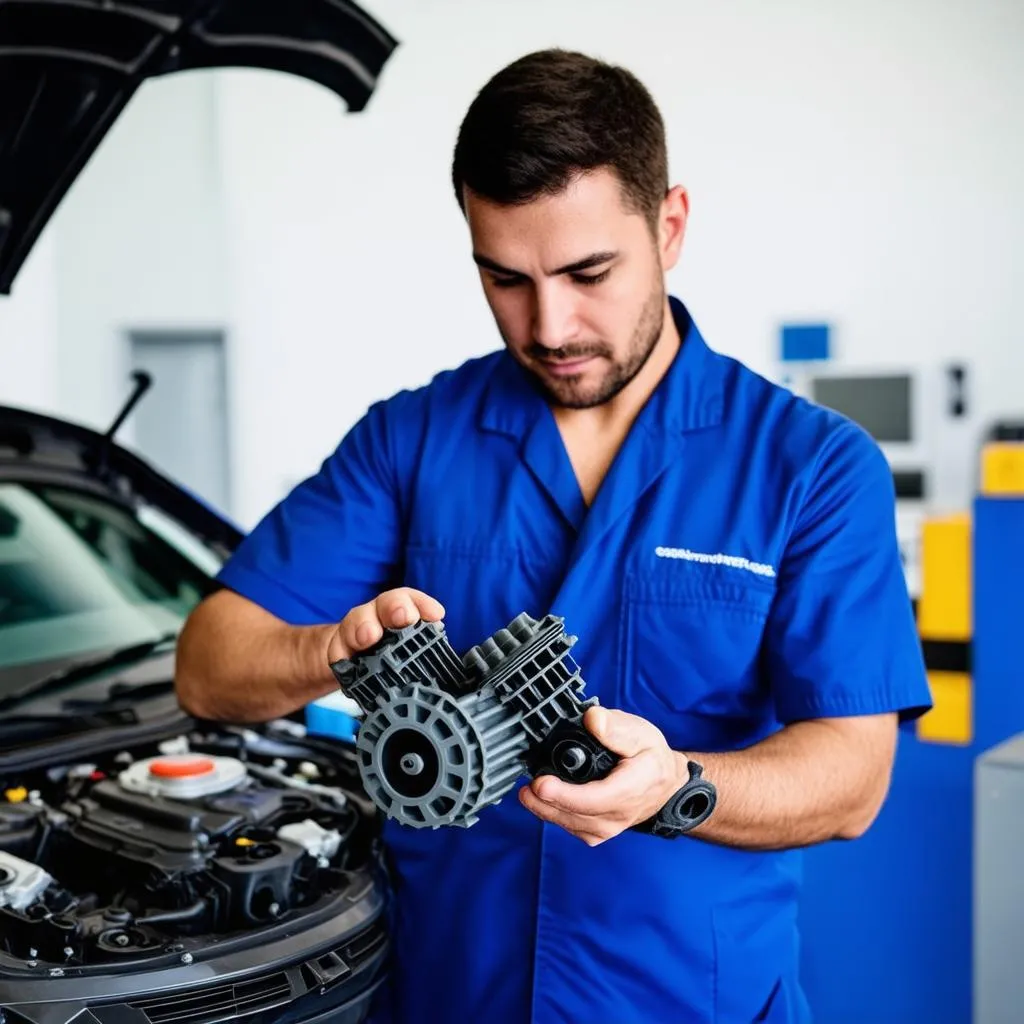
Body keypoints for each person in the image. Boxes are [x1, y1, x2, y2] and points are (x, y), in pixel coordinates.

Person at [175, 48, 932, 1024]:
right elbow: (208, 663)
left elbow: (852, 777)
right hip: (450, 994)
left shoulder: (809, 465)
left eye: (588, 272)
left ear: (670, 225)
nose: (549, 323)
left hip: (687, 1001)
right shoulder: (411, 440)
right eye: (505, 278)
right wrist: (334, 647)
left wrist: (676, 784)